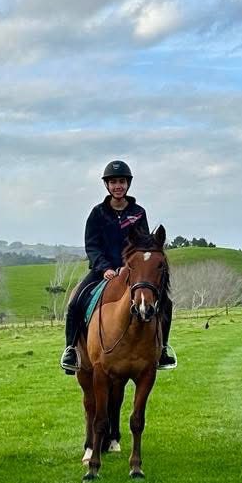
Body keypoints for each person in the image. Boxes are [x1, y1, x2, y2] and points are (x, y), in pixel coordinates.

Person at [59, 160, 176, 374]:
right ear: (107, 186)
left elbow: (143, 246)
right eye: (113, 182)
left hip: (132, 272)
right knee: (76, 302)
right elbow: (92, 246)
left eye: (121, 181)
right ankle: (71, 350)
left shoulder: (138, 213)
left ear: (128, 184)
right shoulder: (97, 213)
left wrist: (127, 267)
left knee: (166, 303)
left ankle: (163, 349)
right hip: (101, 272)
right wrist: (104, 268)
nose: (117, 186)